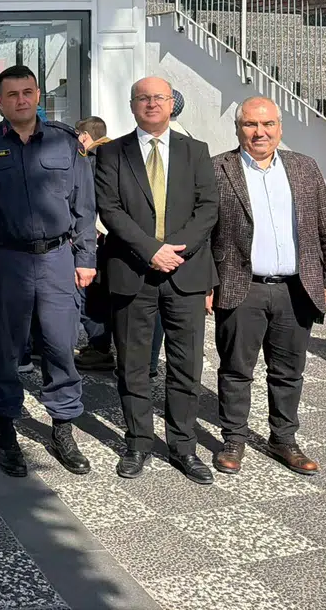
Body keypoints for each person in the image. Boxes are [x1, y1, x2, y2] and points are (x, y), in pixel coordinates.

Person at [0, 66, 96, 477]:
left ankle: (62, 428)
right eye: (12, 94)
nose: (21, 100)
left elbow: (84, 206)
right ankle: (6, 430)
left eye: (27, 92)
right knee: (4, 351)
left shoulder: (65, 142)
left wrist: (86, 258)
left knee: (60, 346)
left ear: (38, 95)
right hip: (4, 261)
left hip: (57, 259)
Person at [210, 96, 326, 476]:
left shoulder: (304, 167)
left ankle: (283, 439)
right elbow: (205, 233)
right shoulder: (217, 169)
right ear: (238, 128)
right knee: (236, 369)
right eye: (251, 124)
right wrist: (206, 284)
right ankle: (233, 439)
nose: (260, 132)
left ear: (280, 128)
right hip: (241, 287)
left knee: (288, 371)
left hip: (295, 289)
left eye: (268, 124)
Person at [94, 76, 219, 484]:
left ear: (171, 104)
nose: (151, 104)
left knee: (186, 365)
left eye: (159, 98)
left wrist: (175, 250)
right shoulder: (111, 153)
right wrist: (151, 250)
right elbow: (110, 210)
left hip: (186, 272)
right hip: (133, 272)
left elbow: (208, 207)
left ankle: (183, 446)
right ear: (132, 106)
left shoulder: (196, 151)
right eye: (143, 98)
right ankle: (138, 443)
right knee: (133, 365)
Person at [73, 116, 113, 371]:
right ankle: (101, 345)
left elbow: (88, 201)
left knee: (90, 295)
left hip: (97, 237)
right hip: (111, 237)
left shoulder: (92, 158)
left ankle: (100, 348)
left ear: (85, 136)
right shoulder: (118, 152)